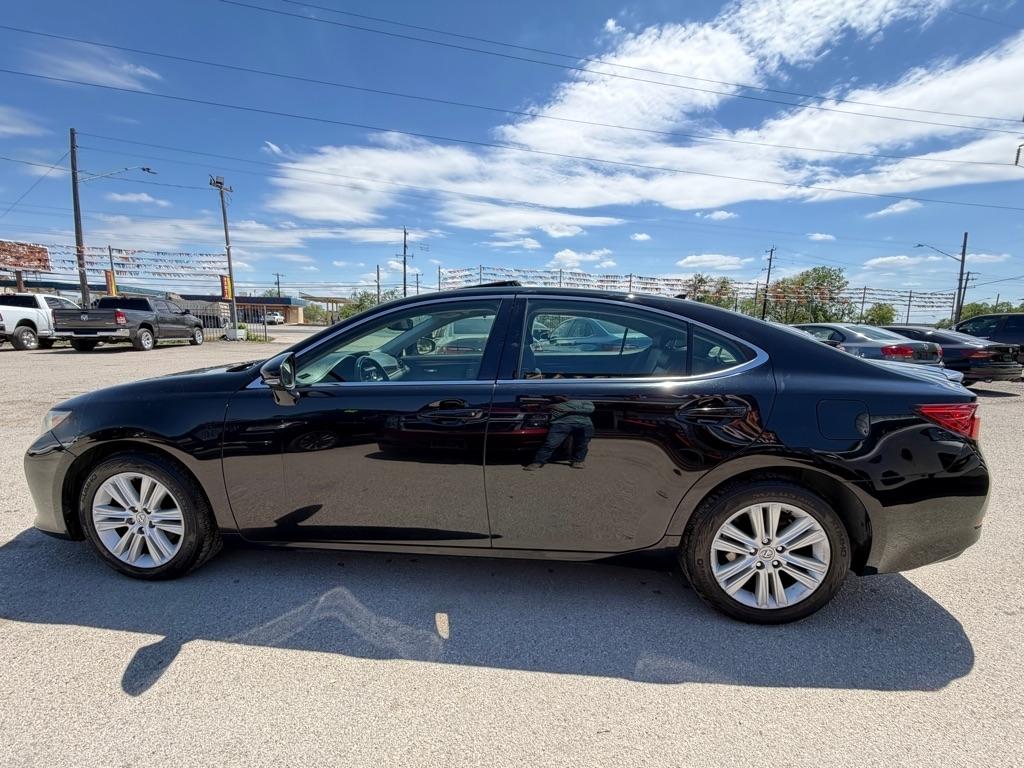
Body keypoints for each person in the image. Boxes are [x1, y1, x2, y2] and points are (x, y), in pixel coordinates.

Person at [524, 398, 594, 470]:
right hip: (559, 424)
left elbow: (590, 410)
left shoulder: (584, 401)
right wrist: (544, 407)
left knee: (582, 444)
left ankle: (577, 461)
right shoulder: (551, 403)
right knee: (550, 444)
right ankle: (537, 462)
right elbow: (538, 409)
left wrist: (569, 410)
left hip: (585, 425)